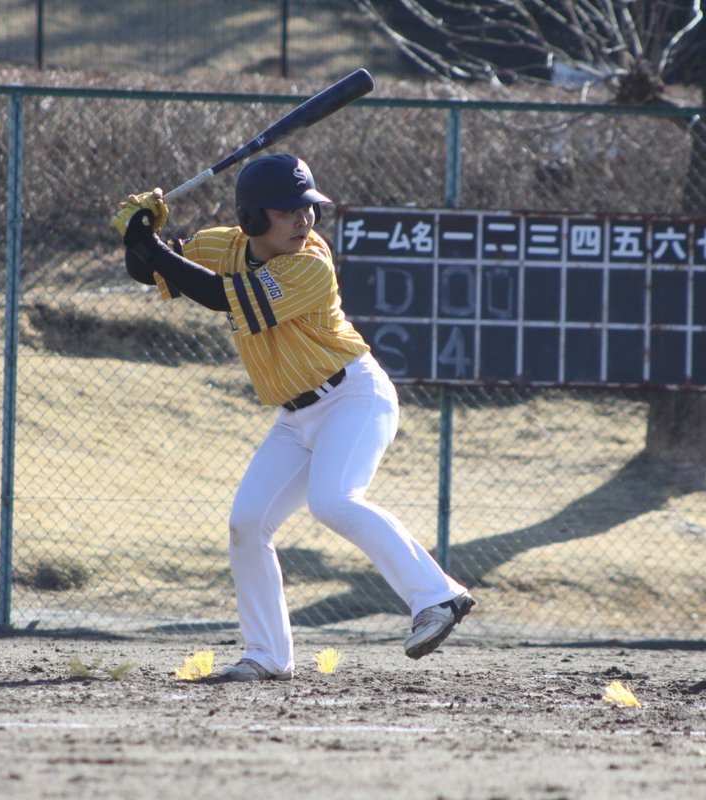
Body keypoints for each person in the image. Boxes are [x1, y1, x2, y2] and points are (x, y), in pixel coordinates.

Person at [111, 153, 476, 682]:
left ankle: (437, 596)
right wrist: (139, 235)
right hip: (294, 416)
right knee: (248, 523)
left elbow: (217, 295)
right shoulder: (226, 244)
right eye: (288, 211)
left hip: (353, 396)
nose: (304, 220)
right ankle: (267, 656)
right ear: (253, 219)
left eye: (309, 209)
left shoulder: (311, 263)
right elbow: (153, 271)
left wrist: (149, 243)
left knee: (334, 501)